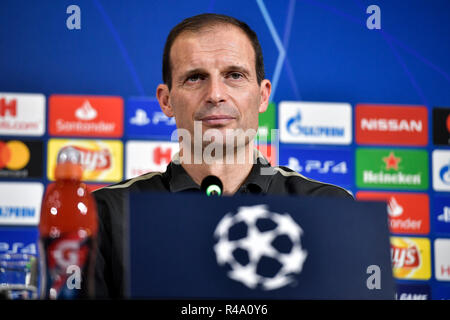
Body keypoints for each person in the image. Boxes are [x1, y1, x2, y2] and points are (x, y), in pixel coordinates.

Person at [91, 13, 353, 298]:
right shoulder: (106, 213)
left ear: (263, 95)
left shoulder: (330, 209)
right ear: (166, 101)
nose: (215, 94)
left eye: (234, 76)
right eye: (195, 78)